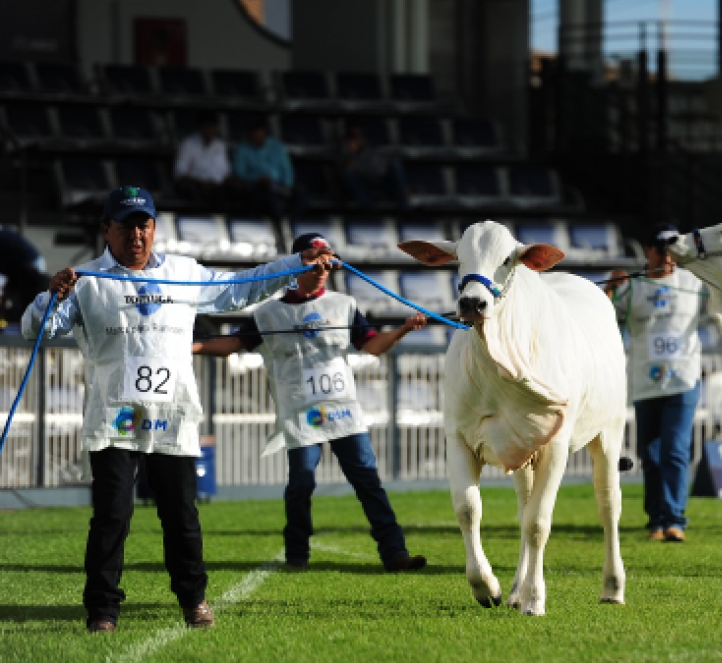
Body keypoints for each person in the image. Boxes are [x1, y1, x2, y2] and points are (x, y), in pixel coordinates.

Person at [22, 186, 336, 634]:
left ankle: (193, 600)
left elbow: (238, 289)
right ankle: (103, 611)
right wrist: (50, 296)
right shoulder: (85, 278)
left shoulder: (183, 273)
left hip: (173, 414)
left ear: (154, 228)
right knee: (112, 515)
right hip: (115, 416)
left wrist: (296, 265)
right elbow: (40, 328)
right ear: (105, 229)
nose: (137, 233)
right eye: (127, 224)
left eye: (144, 223)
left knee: (181, 514)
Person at [191, 232, 428, 572]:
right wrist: (193, 347)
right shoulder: (268, 313)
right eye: (314, 254)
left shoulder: (343, 305)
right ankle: (296, 554)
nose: (322, 261)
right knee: (301, 480)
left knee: (367, 481)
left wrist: (403, 329)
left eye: (327, 255)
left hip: (343, 411)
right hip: (301, 414)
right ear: (297, 262)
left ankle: (395, 553)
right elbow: (234, 344)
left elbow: (373, 346)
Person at [603, 224, 705, 542]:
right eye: (662, 250)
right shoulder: (631, 288)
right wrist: (609, 290)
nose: (668, 257)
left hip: (683, 380)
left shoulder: (694, 282)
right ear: (648, 251)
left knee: (675, 451)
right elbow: (606, 322)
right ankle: (656, 521)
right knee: (651, 455)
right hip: (645, 382)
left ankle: (675, 520)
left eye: (673, 251)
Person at [232, 116, 305, 221]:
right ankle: (278, 226)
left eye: (259, 131)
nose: (257, 135)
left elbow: (286, 168)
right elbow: (240, 173)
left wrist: (287, 185)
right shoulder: (242, 148)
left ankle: (291, 223)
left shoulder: (276, 145)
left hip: (278, 185)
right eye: (254, 132)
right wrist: (258, 178)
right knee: (268, 198)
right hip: (256, 185)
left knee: (301, 195)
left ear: (264, 131)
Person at [337, 122, 409, 209]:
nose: (357, 140)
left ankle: (404, 206)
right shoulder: (345, 154)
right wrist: (351, 157)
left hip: (382, 183)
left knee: (396, 166)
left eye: (359, 136)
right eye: (354, 137)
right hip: (366, 189)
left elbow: (382, 168)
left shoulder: (372, 149)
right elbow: (342, 176)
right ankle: (370, 211)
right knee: (349, 176)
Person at [174, 111, 230, 208]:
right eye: (207, 127)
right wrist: (200, 182)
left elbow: (225, 171)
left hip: (215, 187)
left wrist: (212, 183)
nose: (210, 130)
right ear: (200, 127)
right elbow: (180, 172)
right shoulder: (188, 144)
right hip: (194, 185)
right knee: (194, 191)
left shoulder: (220, 146)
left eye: (212, 127)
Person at [0, 226, 48, 330]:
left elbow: (7, 290)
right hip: (27, 270)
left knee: (27, 309)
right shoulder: (12, 266)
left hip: (31, 271)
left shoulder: (21, 272)